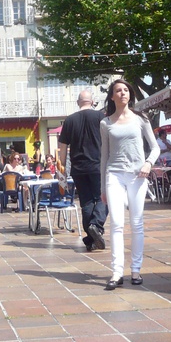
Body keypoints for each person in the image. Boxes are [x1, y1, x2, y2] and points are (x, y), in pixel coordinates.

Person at [100, 79, 159, 290]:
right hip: (114, 175)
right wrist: (102, 187)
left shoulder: (141, 119)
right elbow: (104, 157)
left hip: (137, 176)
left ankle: (135, 270)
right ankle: (116, 272)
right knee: (116, 223)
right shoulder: (105, 123)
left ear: (130, 95)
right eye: (118, 90)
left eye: (126, 90)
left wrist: (148, 163)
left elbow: (155, 148)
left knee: (136, 223)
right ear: (112, 96)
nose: (123, 93)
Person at [58, 89, 107, 253]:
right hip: (98, 165)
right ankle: (96, 225)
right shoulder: (101, 117)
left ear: (78, 102)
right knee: (103, 198)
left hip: (78, 168)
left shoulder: (69, 120)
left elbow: (62, 147)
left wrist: (62, 170)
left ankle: (91, 239)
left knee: (86, 201)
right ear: (92, 102)